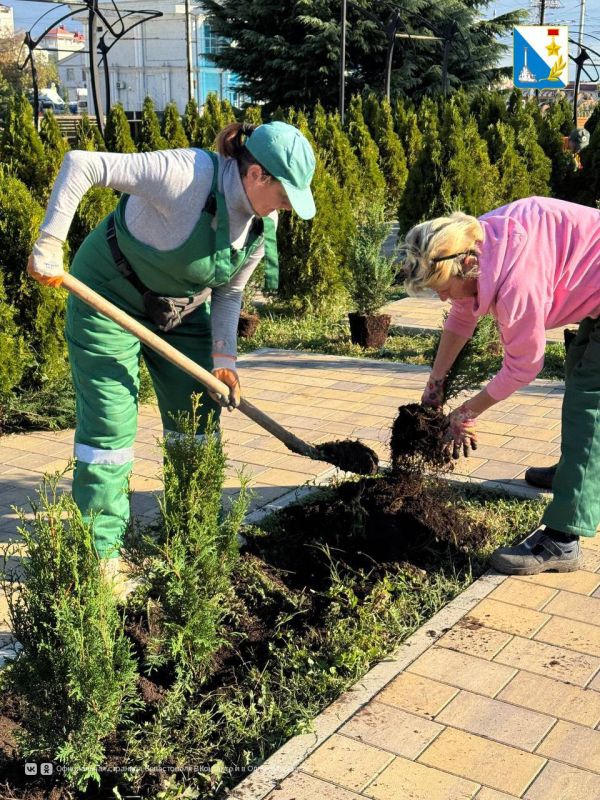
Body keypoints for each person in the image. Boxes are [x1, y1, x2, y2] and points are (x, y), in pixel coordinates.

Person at [27, 120, 316, 586]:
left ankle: (191, 531)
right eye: (285, 194)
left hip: (182, 310)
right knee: (111, 424)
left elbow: (227, 294)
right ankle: (101, 555)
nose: (285, 206)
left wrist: (224, 362)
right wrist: (49, 242)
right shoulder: (184, 174)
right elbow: (82, 164)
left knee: (198, 420)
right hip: (109, 293)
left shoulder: (262, 226)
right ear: (257, 174)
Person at [401, 196, 600, 575]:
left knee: (589, 401)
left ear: (469, 265)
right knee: (579, 372)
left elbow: (524, 367)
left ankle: (563, 540)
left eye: (442, 287)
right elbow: (461, 318)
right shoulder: (479, 240)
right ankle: (577, 472)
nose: (442, 297)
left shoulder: (516, 284)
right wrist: (435, 383)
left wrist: (466, 411)